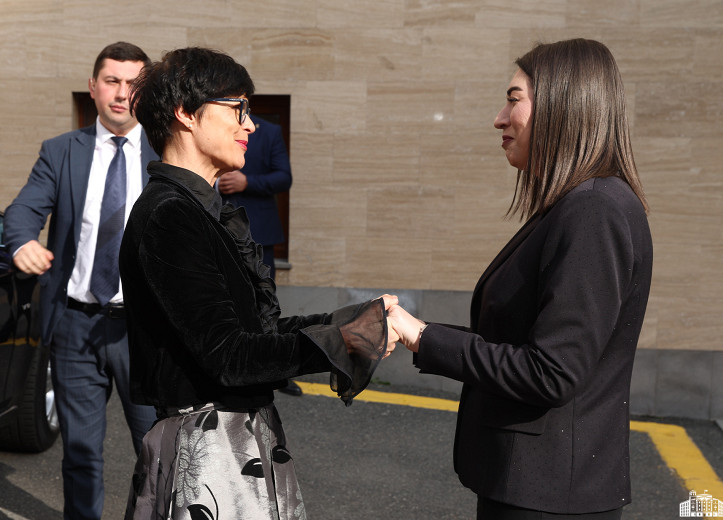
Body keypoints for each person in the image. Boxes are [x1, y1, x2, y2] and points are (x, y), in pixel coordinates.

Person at [121, 46, 398, 519]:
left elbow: (258, 332)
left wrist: (354, 319)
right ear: (185, 112)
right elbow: (229, 356)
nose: (249, 125)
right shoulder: (170, 215)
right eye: (238, 108)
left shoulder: (200, 210)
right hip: (208, 455)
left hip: (237, 442)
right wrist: (346, 339)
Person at [388, 38, 653, 519]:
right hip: (539, 488)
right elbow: (521, 342)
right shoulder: (580, 204)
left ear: (563, 103)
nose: (499, 118)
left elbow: (551, 372)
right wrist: (417, 333)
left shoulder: (593, 210)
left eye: (514, 100)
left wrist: (424, 337)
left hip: (547, 496)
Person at [3, 42, 158, 519]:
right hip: (75, 326)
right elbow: (23, 211)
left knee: (157, 454)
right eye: (112, 81)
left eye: (133, 84)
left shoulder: (168, 152)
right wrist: (21, 242)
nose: (122, 94)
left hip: (146, 332)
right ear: (93, 87)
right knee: (81, 455)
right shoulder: (60, 151)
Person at [218, 115, 302, 397]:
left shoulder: (270, 131)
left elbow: (284, 177)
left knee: (264, 303)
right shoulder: (213, 125)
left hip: (259, 234)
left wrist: (248, 182)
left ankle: (275, 369)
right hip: (216, 227)